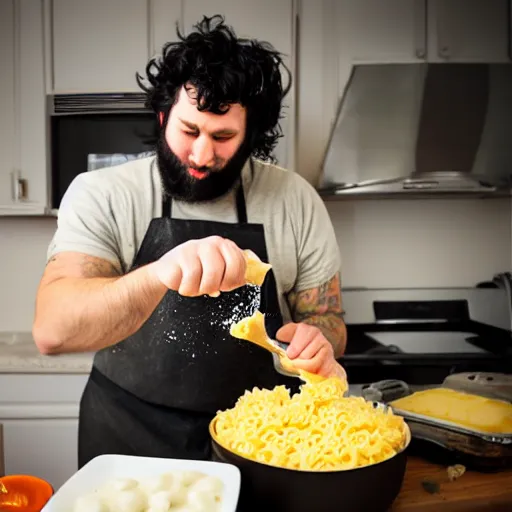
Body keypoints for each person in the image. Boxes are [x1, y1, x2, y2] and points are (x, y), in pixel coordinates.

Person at [33, 15, 347, 468]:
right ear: (163, 116)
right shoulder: (103, 193)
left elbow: (328, 317)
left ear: (251, 135)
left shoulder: (294, 200)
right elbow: (53, 330)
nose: (202, 155)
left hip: (263, 436)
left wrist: (319, 341)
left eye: (223, 137)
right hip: (129, 435)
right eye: (188, 131)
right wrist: (161, 272)